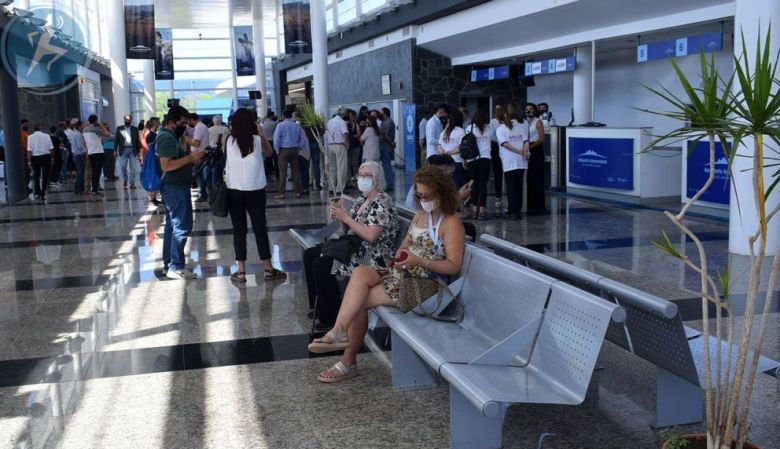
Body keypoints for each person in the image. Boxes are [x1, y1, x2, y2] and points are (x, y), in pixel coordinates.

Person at [308, 166, 465, 382]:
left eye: (426, 195)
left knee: (360, 300)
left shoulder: (451, 223)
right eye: (419, 195)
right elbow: (405, 246)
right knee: (361, 273)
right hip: (407, 275)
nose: (422, 199)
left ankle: (347, 361)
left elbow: (454, 266)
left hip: (429, 287)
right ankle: (339, 331)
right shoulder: (421, 215)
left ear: (441, 193)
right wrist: (401, 258)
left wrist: (420, 261)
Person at [304, 161, 398, 331]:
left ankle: (331, 316)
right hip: (354, 245)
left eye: (367, 175)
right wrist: (340, 216)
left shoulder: (383, 201)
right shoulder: (362, 199)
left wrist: (347, 219)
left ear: (377, 180)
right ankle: (319, 307)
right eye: (360, 175)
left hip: (373, 253)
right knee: (310, 254)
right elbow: (346, 230)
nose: (362, 178)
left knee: (323, 264)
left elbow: (371, 236)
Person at [222, 108, 287, 284]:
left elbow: (226, 156)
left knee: (239, 230)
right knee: (260, 229)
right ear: (252, 123)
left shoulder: (228, 140)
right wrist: (262, 134)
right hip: (256, 191)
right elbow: (269, 153)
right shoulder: (258, 141)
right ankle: (268, 269)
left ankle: (241, 272)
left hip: (234, 191)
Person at [157, 105, 206, 279]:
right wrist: (190, 158)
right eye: (182, 123)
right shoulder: (167, 138)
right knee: (182, 226)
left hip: (175, 186)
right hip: (174, 187)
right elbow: (166, 165)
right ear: (171, 122)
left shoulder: (170, 136)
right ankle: (176, 266)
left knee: (173, 226)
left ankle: (169, 263)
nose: (185, 127)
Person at [496, 108, 530, 220]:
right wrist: (524, 151)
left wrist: (520, 151)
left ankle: (512, 211)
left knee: (511, 187)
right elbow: (526, 141)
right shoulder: (519, 127)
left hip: (509, 161)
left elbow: (505, 144)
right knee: (519, 186)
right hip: (521, 160)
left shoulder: (500, 129)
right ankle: (518, 210)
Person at [272, 108, 305, 200]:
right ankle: (298, 192)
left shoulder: (280, 125)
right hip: (294, 149)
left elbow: (276, 139)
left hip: (284, 150)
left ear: (283, 116)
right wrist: (299, 147)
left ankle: (281, 193)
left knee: (283, 172)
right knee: (296, 171)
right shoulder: (297, 126)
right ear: (291, 116)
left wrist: (277, 150)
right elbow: (302, 138)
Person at [465, 109, 492, 219]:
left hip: (472, 159)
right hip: (485, 158)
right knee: (482, 184)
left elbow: (465, 143)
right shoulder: (489, 128)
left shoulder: (469, 128)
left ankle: (474, 209)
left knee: (474, 184)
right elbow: (493, 139)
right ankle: (482, 211)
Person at [524, 103, 547, 212]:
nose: (528, 111)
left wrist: (530, 147)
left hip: (536, 149)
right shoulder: (525, 122)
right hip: (528, 148)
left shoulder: (538, 122)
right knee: (529, 177)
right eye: (526, 109)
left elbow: (541, 138)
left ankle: (538, 204)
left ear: (534, 110)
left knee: (536, 176)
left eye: (530, 109)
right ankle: (530, 202)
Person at [324, 108, 351, 195]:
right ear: (344, 114)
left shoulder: (330, 121)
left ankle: (331, 187)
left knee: (332, 168)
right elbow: (345, 133)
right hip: (340, 145)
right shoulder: (342, 122)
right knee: (341, 167)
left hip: (330, 145)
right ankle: (340, 188)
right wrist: (347, 143)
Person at [437, 108, 466, 187]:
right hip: (457, 162)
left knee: (446, 187)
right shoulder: (461, 131)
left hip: (445, 163)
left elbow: (439, 145)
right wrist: (450, 152)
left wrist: (443, 153)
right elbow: (462, 147)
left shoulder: (444, 132)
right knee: (457, 186)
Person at [185, 113, 210, 201]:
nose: (188, 122)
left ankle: (203, 194)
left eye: (188, 120)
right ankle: (204, 194)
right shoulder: (203, 126)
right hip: (202, 153)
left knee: (198, 175)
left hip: (199, 154)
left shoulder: (199, 127)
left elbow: (196, 143)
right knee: (200, 175)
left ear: (192, 119)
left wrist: (187, 139)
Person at [83, 115, 109, 196]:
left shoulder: (84, 130)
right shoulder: (95, 129)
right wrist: (101, 125)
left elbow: (84, 142)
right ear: (95, 121)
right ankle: (94, 190)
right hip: (98, 152)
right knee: (97, 172)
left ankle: (94, 189)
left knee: (94, 171)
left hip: (90, 153)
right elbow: (107, 134)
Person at [27, 124, 53, 201]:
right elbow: (51, 148)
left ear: (34, 129)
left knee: (36, 176)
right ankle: (43, 193)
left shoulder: (30, 137)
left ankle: (37, 192)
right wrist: (52, 158)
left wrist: (29, 161)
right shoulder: (46, 136)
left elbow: (29, 150)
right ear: (40, 128)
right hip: (46, 157)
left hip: (35, 158)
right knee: (45, 175)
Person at [113, 115, 141, 189]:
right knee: (122, 166)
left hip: (133, 150)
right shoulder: (120, 128)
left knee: (133, 167)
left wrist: (138, 152)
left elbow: (137, 141)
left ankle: (132, 183)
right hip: (123, 150)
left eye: (129, 120)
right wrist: (115, 150)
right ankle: (125, 179)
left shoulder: (134, 129)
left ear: (131, 121)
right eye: (126, 120)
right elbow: (116, 140)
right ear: (124, 120)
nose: (127, 121)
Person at [489, 104, 506, 216]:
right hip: (496, 146)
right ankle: (498, 196)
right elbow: (492, 136)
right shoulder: (493, 122)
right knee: (498, 172)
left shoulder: (508, 121)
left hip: (506, 146)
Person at [143, 118, 162, 206]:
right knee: (153, 175)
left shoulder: (153, 134)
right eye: (158, 123)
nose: (159, 124)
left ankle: (154, 197)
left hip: (153, 157)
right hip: (152, 158)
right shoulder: (151, 135)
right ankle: (153, 197)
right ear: (155, 124)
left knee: (155, 175)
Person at [379, 107, 396, 190]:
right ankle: (388, 183)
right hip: (386, 146)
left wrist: (391, 143)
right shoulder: (386, 121)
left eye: (381, 113)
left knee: (387, 166)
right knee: (386, 165)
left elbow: (385, 135)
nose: (380, 114)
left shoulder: (387, 122)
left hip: (386, 147)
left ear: (384, 113)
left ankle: (389, 184)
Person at [69, 121, 87, 195]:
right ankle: (80, 190)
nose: (83, 127)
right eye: (82, 126)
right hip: (79, 155)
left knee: (79, 172)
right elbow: (80, 146)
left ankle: (77, 189)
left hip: (75, 155)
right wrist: (85, 151)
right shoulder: (78, 134)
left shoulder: (73, 133)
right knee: (81, 173)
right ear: (79, 126)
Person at [261, 111, 279, 181]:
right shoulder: (274, 124)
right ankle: (278, 173)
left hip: (266, 142)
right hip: (272, 142)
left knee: (268, 159)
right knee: (276, 158)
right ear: (271, 116)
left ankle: (267, 173)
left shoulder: (264, 123)